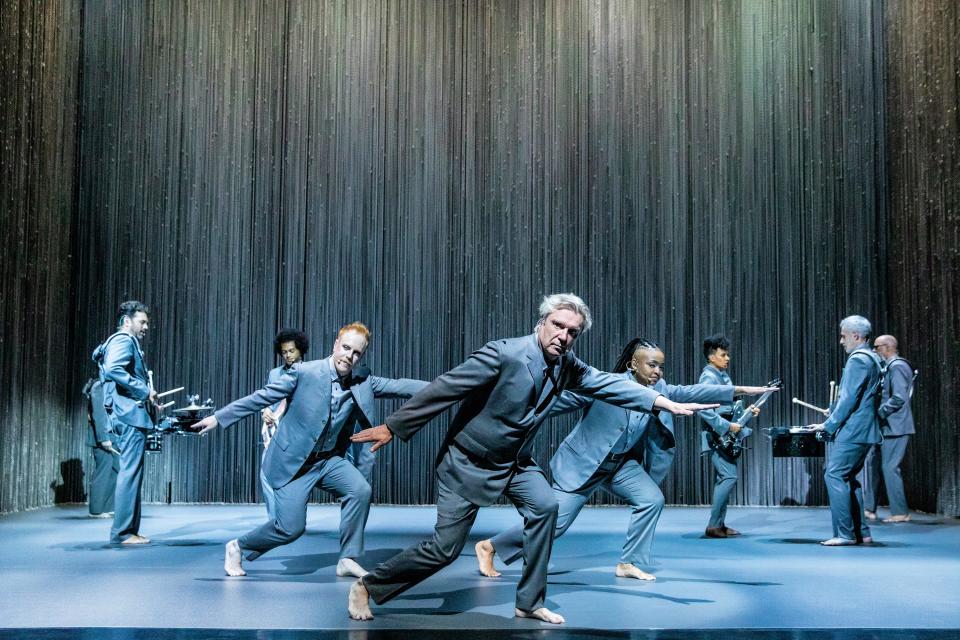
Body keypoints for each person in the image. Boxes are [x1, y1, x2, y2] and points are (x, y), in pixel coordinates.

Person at [346, 294, 719, 624]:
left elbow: (609, 384)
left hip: (514, 463)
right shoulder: (503, 353)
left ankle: (528, 602)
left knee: (545, 506)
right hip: (468, 463)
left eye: (572, 332)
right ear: (542, 323)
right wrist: (394, 427)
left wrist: (660, 401)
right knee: (443, 551)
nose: (564, 336)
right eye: (558, 325)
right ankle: (369, 585)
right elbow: (446, 387)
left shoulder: (567, 364)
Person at [476, 338, 776, 581]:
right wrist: (510, 412)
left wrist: (739, 390)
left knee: (651, 499)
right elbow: (557, 400)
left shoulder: (658, 389)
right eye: (652, 364)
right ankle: (490, 546)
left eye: (661, 365)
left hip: (620, 465)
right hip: (585, 464)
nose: (658, 371)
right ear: (634, 364)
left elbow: (688, 390)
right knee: (556, 523)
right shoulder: (605, 383)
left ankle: (629, 562)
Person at [195, 323, 427, 579]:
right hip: (294, 463)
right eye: (346, 348)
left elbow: (402, 386)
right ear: (335, 345)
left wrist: (452, 386)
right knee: (290, 529)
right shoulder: (304, 372)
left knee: (359, 490)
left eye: (356, 353)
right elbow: (260, 397)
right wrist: (218, 418)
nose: (349, 356)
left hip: (328, 461)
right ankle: (238, 546)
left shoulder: (363, 381)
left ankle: (347, 558)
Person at [812, 315, 883, 546]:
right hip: (863, 430)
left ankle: (844, 534)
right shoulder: (872, 358)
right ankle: (862, 532)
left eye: (843, 336)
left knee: (834, 474)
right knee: (848, 477)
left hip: (854, 430)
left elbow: (849, 398)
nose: (841, 341)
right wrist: (831, 415)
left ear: (855, 336)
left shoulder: (858, 359)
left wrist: (829, 425)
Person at [91, 300, 157, 544]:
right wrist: (143, 390)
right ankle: (122, 533)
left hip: (128, 413)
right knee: (129, 473)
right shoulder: (123, 340)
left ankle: (130, 529)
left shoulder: (123, 342)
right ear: (127, 321)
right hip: (128, 415)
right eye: (143, 322)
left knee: (132, 473)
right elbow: (114, 369)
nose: (146, 326)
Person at [696, 334, 761, 538]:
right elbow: (704, 409)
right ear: (711, 357)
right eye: (723, 355)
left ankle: (720, 524)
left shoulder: (722, 376)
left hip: (725, 435)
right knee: (728, 476)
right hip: (718, 436)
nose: (727, 358)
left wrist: (747, 411)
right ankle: (714, 525)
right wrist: (725, 426)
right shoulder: (709, 377)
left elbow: (728, 407)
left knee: (725, 478)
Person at [863, 334, 915, 523]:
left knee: (890, 467)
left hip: (896, 426)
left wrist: (878, 413)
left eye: (877, 347)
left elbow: (899, 398)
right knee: (874, 464)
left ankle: (900, 512)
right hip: (886, 427)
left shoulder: (898, 366)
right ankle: (869, 508)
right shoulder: (890, 367)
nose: (875, 351)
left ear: (887, 347)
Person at [259, 329, 309, 519]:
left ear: (301, 350)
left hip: (299, 434)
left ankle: (295, 518)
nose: (287, 355)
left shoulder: (310, 372)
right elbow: (266, 398)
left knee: (297, 479)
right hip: (275, 433)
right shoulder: (274, 374)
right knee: (265, 473)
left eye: (291, 351)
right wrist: (265, 411)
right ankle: (274, 520)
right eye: (284, 352)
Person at [81, 377, 119, 518]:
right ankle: (96, 509)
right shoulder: (99, 386)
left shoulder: (110, 385)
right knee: (103, 471)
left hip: (112, 435)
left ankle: (108, 506)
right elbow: (98, 414)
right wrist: (103, 438)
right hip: (102, 436)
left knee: (115, 469)